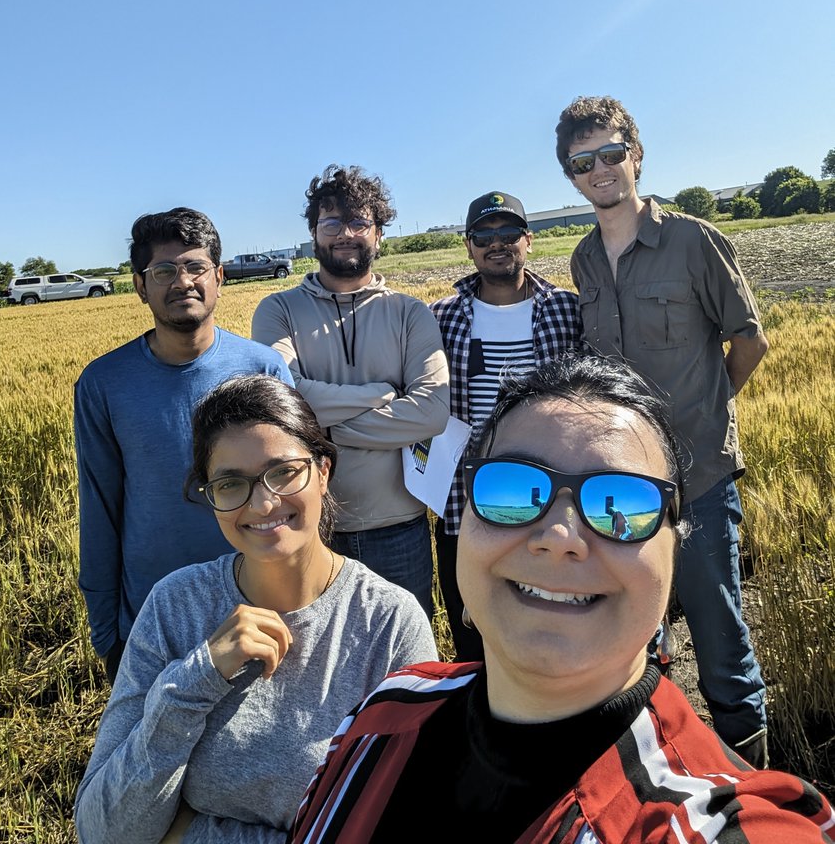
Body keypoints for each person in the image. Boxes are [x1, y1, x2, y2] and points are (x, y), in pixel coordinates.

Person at [287, 356, 834, 844]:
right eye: (510, 489)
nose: (559, 535)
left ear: (675, 551)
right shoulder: (383, 711)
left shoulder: (715, 824)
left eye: (622, 503)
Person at [75, 375, 437, 844]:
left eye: (283, 472)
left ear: (323, 471)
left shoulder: (388, 624)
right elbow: (103, 831)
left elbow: (405, 823)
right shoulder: (175, 607)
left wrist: (188, 834)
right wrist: (197, 678)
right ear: (210, 495)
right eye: (231, 483)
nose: (264, 503)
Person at [554, 96, 770, 765]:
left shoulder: (693, 240)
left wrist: (707, 411)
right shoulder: (585, 260)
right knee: (637, 635)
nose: (600, 170)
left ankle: (750, 786)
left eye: (611, 153)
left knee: (720, 637)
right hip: (622, 487)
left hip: (699, 477)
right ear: (571, 177)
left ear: (636, 155)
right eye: (582, 162)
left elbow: (749, 341)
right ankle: (663, 780)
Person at [75, 206, 293, 682]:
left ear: (219, 277)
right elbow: (99, 507)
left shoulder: (264, 369)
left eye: (196, 266)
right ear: (140, 285)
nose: (183, 282)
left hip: (260, 608)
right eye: (164, 271)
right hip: (154, 620)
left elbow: (295, 490)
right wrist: (106, 633)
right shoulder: (104, 384)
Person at [252, 165, 449, 615]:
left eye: (359, 222)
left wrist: (318, 431)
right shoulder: (278, 311)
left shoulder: (410, 314)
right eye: (332, 223)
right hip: (307, 528)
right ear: (313, 233)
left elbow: (431, 412)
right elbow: (282, 401)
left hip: (399, 530)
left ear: (378, 234)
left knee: (403, 655)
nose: (346, 233)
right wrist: (384, 393)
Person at [429, 189, 581, 659]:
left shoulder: (566, 310)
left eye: (509, 232)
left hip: (551, 496)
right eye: (483, 235)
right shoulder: (441, 317)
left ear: (528, 240)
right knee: (472, 629)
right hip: (466, 500)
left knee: (547, 621)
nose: (497, 243)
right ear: (469, 246)